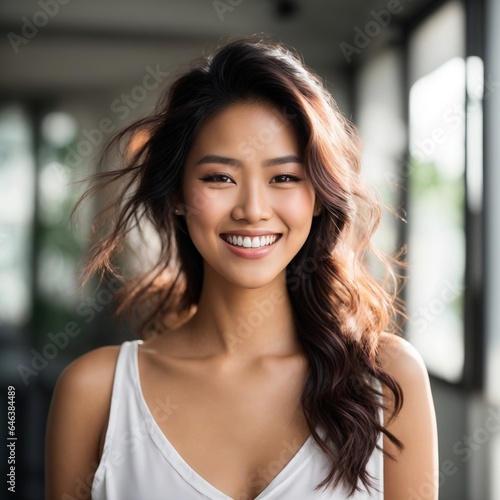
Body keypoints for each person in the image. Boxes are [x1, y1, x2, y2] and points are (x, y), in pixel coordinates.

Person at [45, 36, 438, 500]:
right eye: (220, 178)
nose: (253, 209)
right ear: (176, 194)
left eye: (284, 178)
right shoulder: (96, 393)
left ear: (317, 197)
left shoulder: (387, 381)